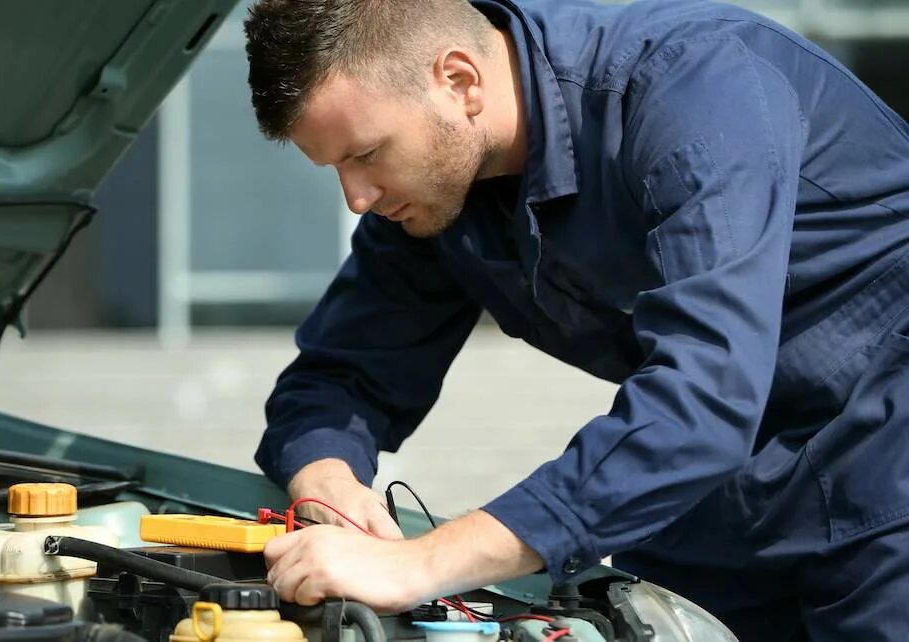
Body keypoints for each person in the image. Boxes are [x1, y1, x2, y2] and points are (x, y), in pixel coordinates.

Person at [243, 0, 909, 638]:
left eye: (364, 155)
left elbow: (705, 400)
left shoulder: (693, 89)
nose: (357, 199)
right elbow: (341, 375)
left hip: (886, 461)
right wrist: (325, 479)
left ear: (459, 81)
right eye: (336, 168)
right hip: (721, 494)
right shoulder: (437, 188)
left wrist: (419, 563)